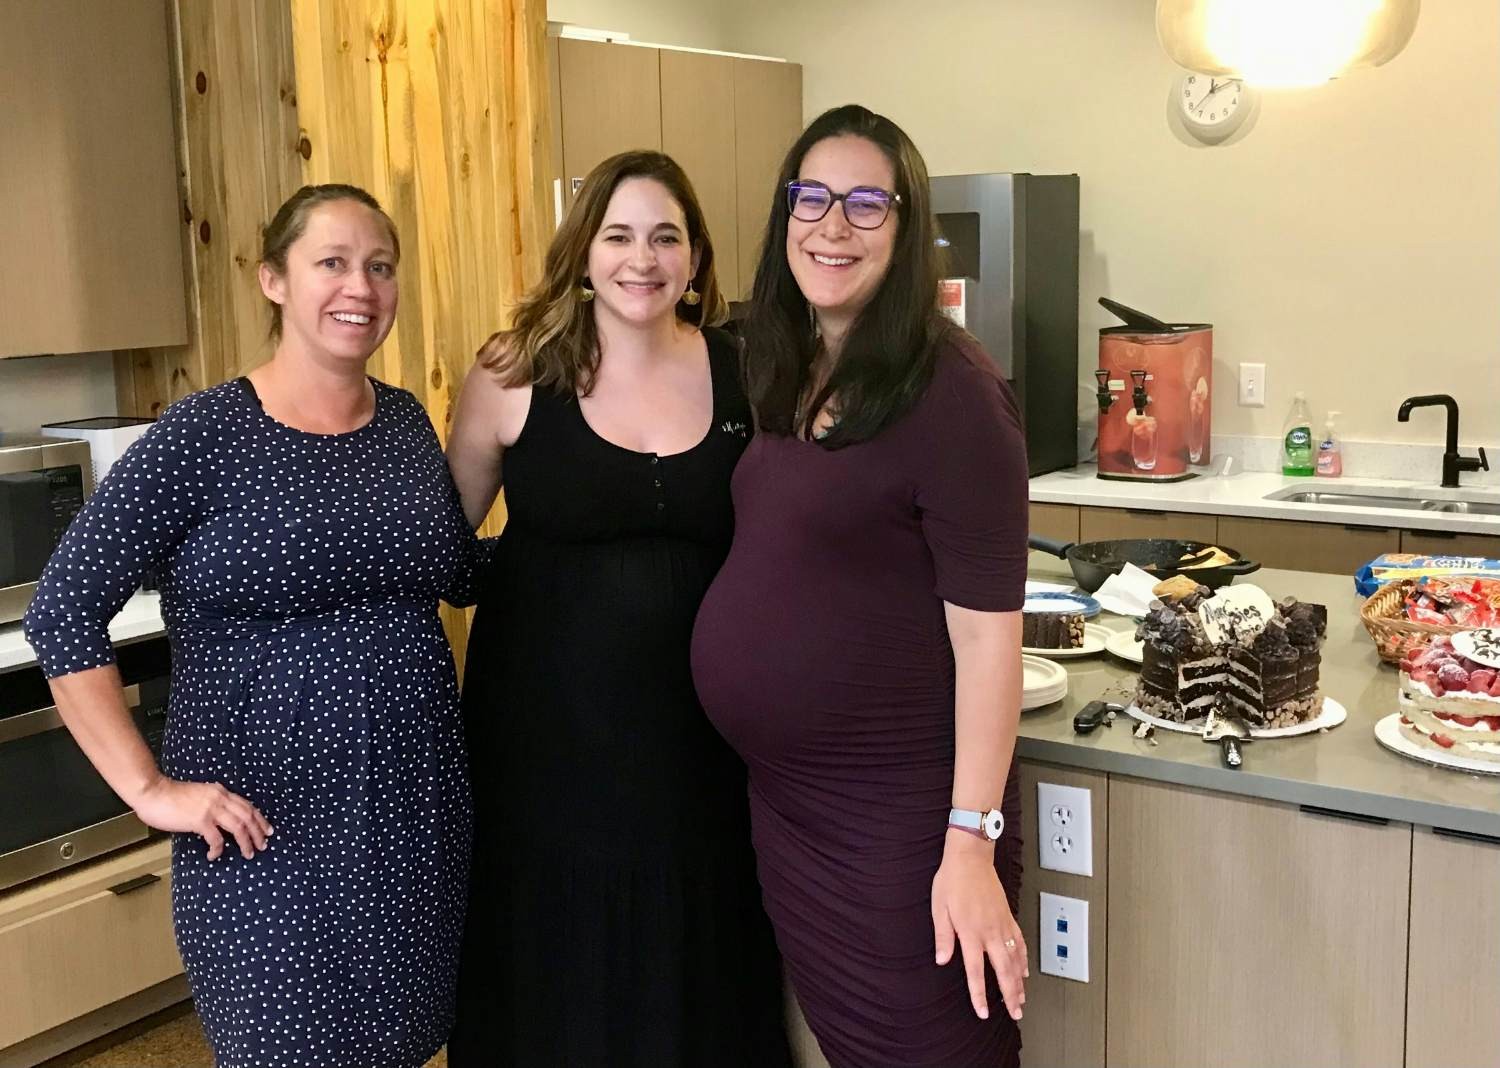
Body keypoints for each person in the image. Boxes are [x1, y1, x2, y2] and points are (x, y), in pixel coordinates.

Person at [23, 184, 485, 1068]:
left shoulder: (404, 425)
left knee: (402, 1046)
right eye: (333, 263)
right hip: (267, 837)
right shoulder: (206, 433)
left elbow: (456, 573)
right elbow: (63, 612)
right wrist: (151, 792)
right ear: (274, 279)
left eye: (380, 266)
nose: (362, 286)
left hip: (412, 820)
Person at [691, 104, 1032, 1068]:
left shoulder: (953, 394)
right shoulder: (788, 365)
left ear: (907, 228)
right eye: (812, 196)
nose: (832, 225)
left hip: (901, 819)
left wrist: (968, 842)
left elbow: (988, 640)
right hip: (793, 809)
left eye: (866, 203)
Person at [443, 151, 789, 1067]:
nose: (643, 259)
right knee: (559, 942)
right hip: (547, 737)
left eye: (666, 237)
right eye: (619, 235)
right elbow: (443, 540)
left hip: (702, 737)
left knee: (699, 926)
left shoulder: (746, 371)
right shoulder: (514, 372)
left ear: (696, 258)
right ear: (583, 252)